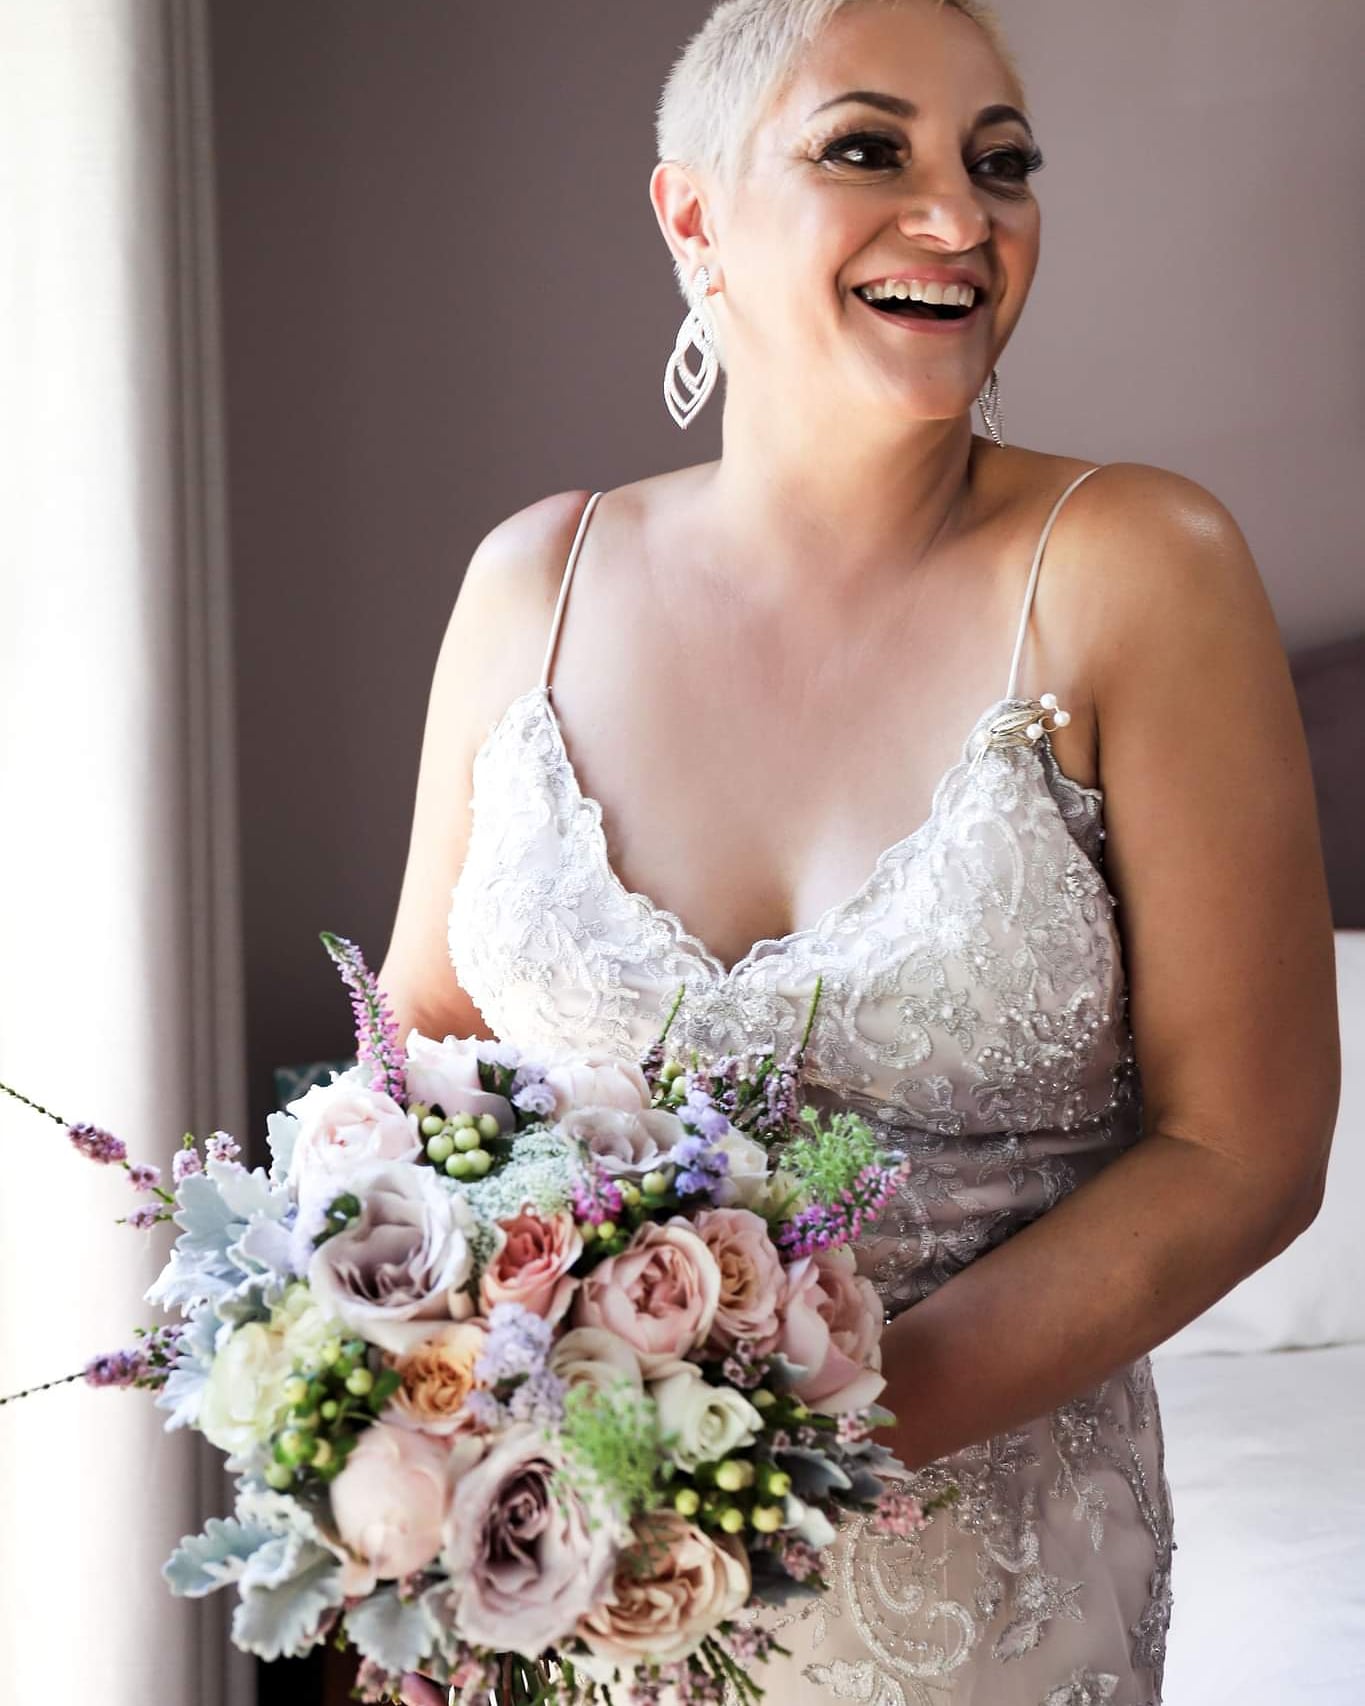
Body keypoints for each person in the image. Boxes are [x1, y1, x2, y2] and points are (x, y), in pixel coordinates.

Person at [380, 2, 1339, 1701]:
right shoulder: (529, 585)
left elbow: (1237, 1147)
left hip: (970, 1597)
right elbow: (425, 1059)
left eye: (1001, 163)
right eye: (865, 150)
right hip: (547, 1579)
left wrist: (767, 1448)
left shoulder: (1136, 565)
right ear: (692, 219)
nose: (959, 220)